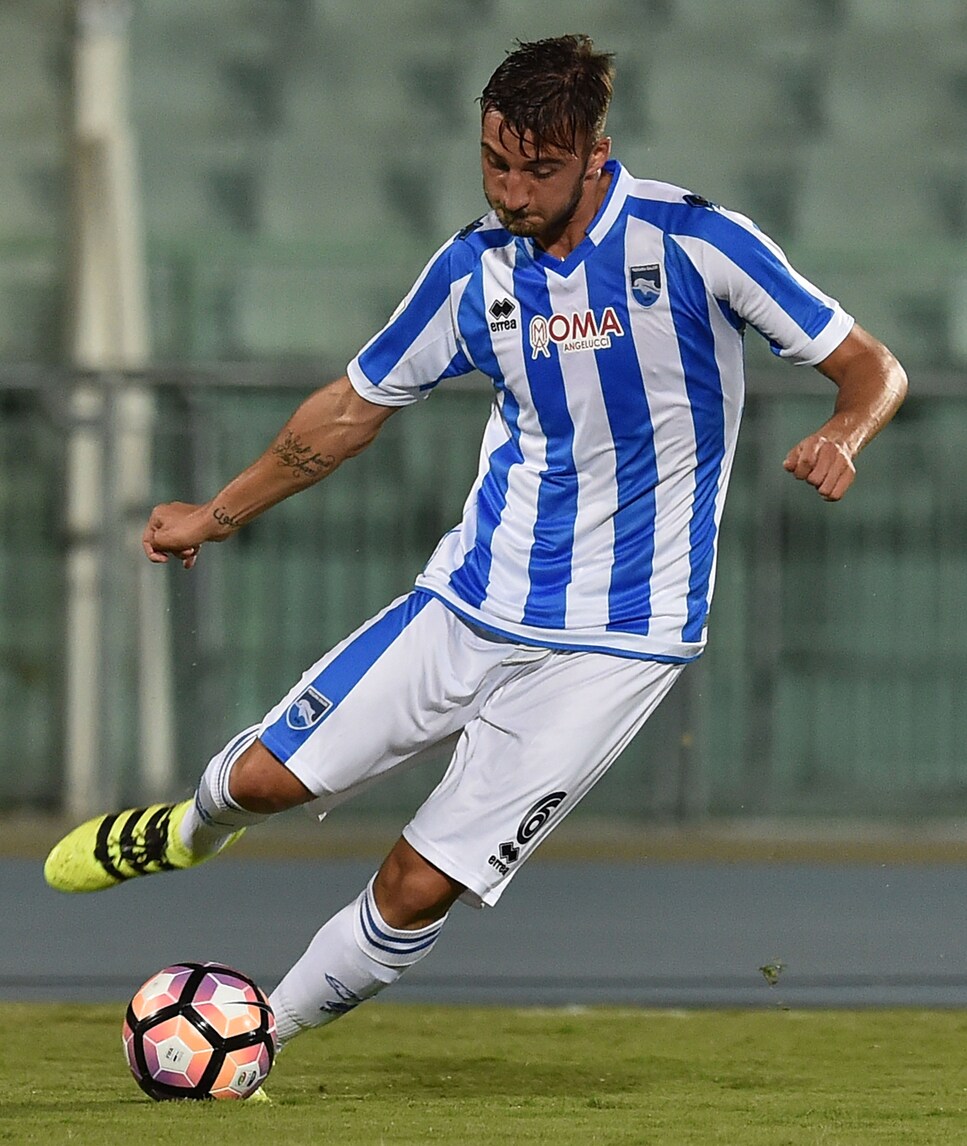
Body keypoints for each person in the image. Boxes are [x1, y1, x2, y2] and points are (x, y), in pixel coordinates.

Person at [45, 35, 907, 1057]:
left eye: (536, 169)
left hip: (618, 642)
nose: (509, 192)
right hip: (468, 601)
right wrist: (214, 514)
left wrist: (843, 432)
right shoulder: (473, 268)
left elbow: (871, 367)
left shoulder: (693, 242)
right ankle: (189, 833)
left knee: (420, 882)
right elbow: (349, 411)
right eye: (494, 163)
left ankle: (256, 1039)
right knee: (262, 783)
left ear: (596, 154)